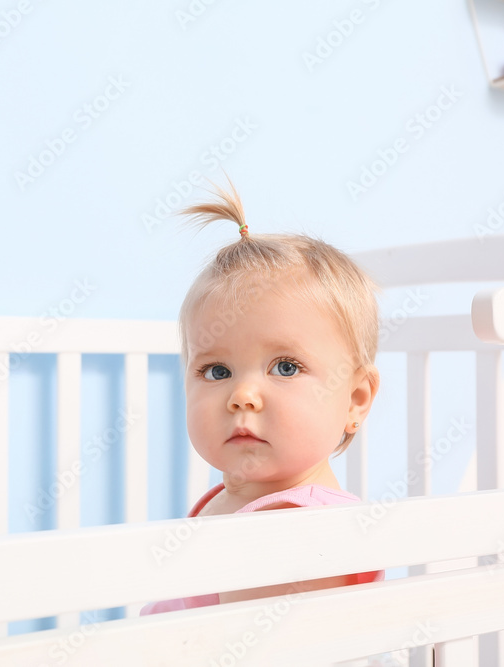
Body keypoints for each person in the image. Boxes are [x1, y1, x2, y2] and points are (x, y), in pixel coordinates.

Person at [140, 177, 384, 616]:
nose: (242, 396)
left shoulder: (300, 527)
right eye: (217, 371)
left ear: (355, 399)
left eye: (286, 367)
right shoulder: (225, 499)